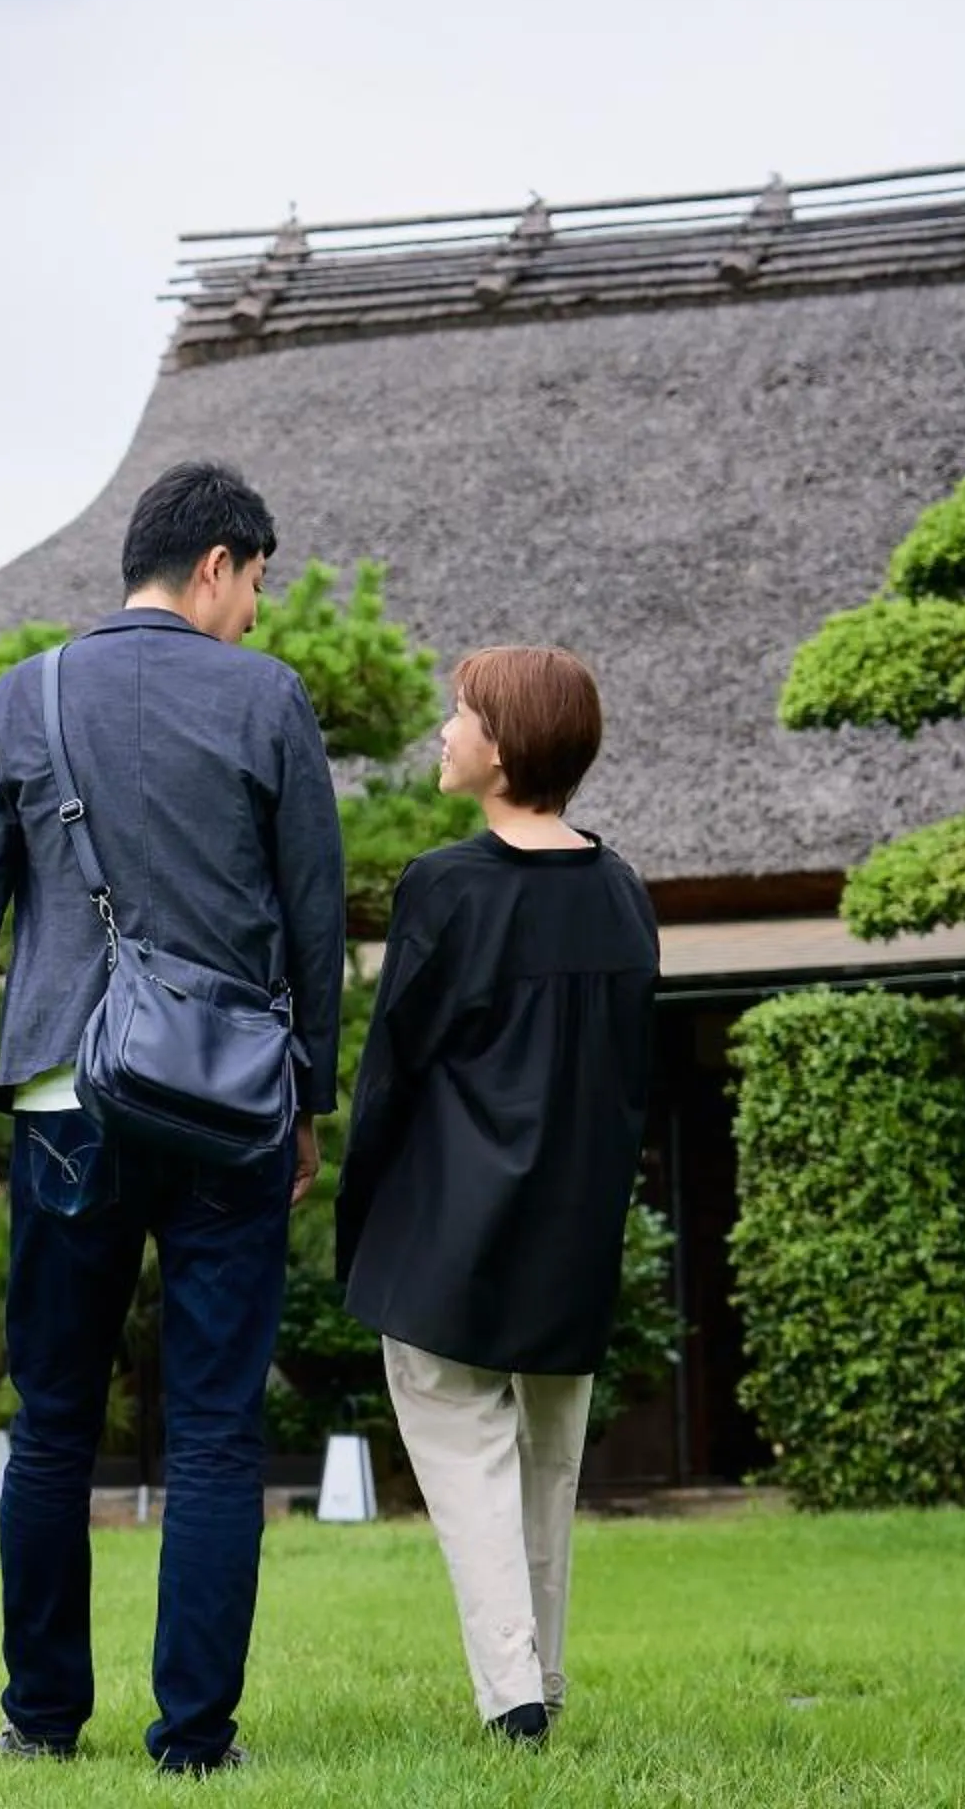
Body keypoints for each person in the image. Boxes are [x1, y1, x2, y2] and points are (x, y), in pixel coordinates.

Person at [0, 458, 347, 1774]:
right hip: (230, 1106)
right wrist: (310, 1100)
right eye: (258, 582)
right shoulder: (270, 700)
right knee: (216, 1424)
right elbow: (317, 923)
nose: (259, 615)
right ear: (217, 562)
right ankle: (194, 1741)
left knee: (54, 1416)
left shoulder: (25, 693)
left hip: (64, 1096)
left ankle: (42, 1723)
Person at [334, 645, 658, 1748]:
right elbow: (630, 1082)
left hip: (449, 1226)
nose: (444, 729)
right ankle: (540, 1680)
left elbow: (393, 1068)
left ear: (504, 747)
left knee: (465, 1454)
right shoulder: (623, 893)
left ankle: (515, 1694)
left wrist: (356, 1199)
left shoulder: (446, 887)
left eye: (462, 713)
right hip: (570, 1227)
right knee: (551, 1463)